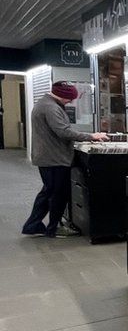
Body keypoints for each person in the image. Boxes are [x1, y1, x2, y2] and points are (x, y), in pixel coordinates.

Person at [22, 82, 108, 238]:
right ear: (62, 96)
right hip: (54, 159)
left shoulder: (45, 103)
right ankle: (52, 228)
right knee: (57, 194)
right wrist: (91, 136)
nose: (71, 102)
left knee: (48, 192)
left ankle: (33, 225)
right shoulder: (51, 108)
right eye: (70, 99)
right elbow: (63, 132)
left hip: (48, 157)